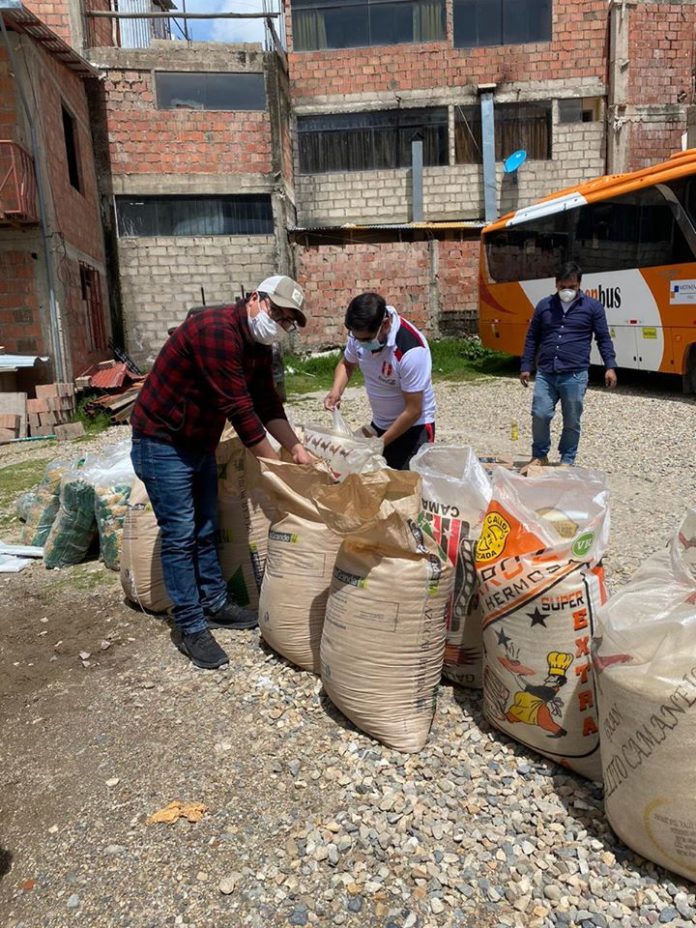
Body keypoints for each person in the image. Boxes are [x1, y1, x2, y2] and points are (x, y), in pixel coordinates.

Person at [130, 275, 314, 670]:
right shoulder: (215, 332)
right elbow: (241, 412)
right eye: (276, 311)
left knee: (205, 526)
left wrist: (296, 447)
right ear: (254, 299)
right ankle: (189, 625)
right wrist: (276, 468)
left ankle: (213, 603)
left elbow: (267, 402)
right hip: (161, 441)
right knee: (180, 534)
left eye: (286, 320)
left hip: (196, 441)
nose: (278, 323)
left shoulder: (257, 345)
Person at [324, 292, 436, 470]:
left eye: (367, 340)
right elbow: (347, 363)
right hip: (380, 424)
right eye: (356, 338)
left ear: (385, 324)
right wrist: (336, 391)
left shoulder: (411, 351)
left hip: (413, 429)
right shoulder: (359, 335)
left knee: (407, 487)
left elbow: (414, 410)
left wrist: (380, 443)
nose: (361, 344)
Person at [520, 261, 617, 466]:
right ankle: (539, 455)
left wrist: (610, 366)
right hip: (546, 372)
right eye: (563, 286)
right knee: (540, 413)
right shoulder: (544, 306)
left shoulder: (592, 307)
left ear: (579, 284)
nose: (567, 291)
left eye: (572, 287)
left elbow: (603, 338)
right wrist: (526, 366)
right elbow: (532, 338)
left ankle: (567, 458)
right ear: (556, 284)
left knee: (572, 420)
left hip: (575, 374)